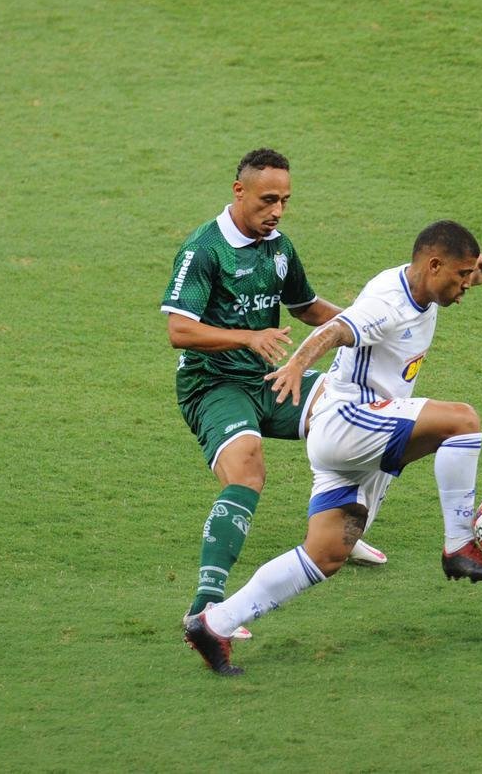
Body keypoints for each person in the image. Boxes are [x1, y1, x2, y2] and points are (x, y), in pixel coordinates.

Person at [184, 219, 482, 675]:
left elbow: (445, 280)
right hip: (349, 423)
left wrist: (475, 271)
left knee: (327, 553)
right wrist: (296, 366)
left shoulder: (423, 284)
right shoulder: (388, 303)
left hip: (358, 436)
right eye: (461, 275)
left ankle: (214, 624)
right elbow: (334, 329)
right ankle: (460, 544)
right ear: (434, 265)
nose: (466, 284)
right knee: (462, 422)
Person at [162, 149, 387, 640]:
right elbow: (179, 330)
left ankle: (343, 533)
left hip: (269, 378)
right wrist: (248, 337)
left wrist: (368, 323)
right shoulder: (205, 249)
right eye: (268, 199)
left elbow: (305, 307)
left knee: (363, 416)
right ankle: (204, 606)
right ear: (239, 191)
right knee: (248, 468)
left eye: (285, 200)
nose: (278, 210)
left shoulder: (279, 247)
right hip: (213, 385)